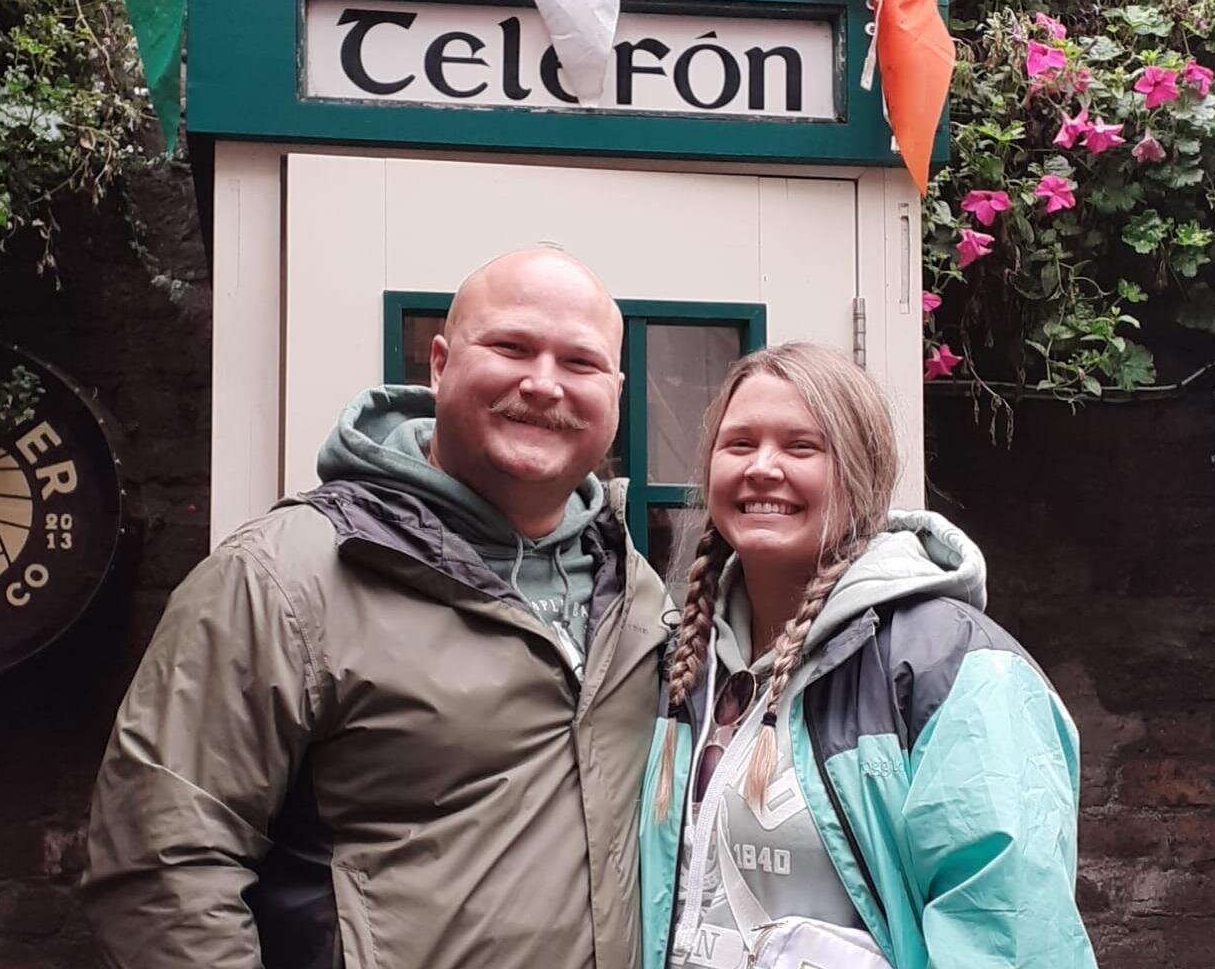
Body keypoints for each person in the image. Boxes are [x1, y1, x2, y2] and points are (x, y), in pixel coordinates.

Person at [81, 248, 672, 969]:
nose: (543, 384)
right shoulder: (283, 578)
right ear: (440, 364)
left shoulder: (636, 591)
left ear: (615, 390)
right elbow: (160, 864)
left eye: (579, 362)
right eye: (511, 347)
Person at [635, 342, 1096, 969]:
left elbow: (1009, 937)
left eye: (801, 447)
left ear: (862, 473)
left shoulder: (954, 669)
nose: (762, 467)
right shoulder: (685, 661)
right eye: (739, 443)